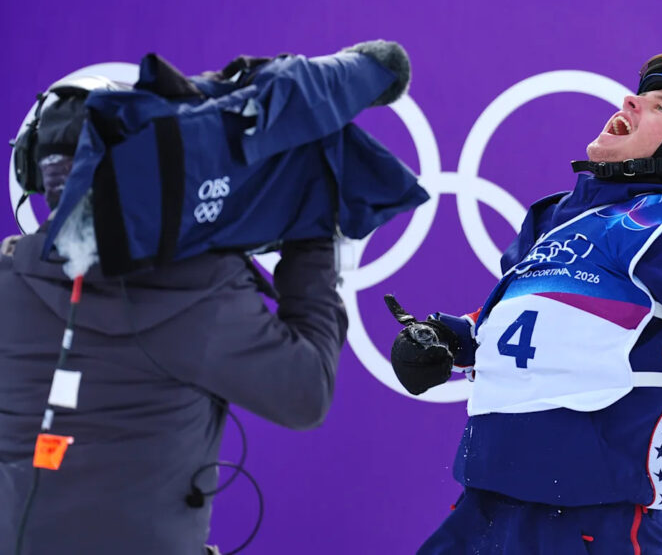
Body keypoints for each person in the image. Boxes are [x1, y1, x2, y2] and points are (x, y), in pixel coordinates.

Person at [387, 54, 662, 554]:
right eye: (637, 97)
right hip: (481, 509)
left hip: (591, 524)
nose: (629, 102)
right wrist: (446, 340)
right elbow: (511, 322)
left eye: (660, 107)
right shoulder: (552, 222)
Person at [0, 40, 414, 555]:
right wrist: (311, 233)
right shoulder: (197, 286)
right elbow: (306, 393)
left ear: (30, 173)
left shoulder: (8, 277)